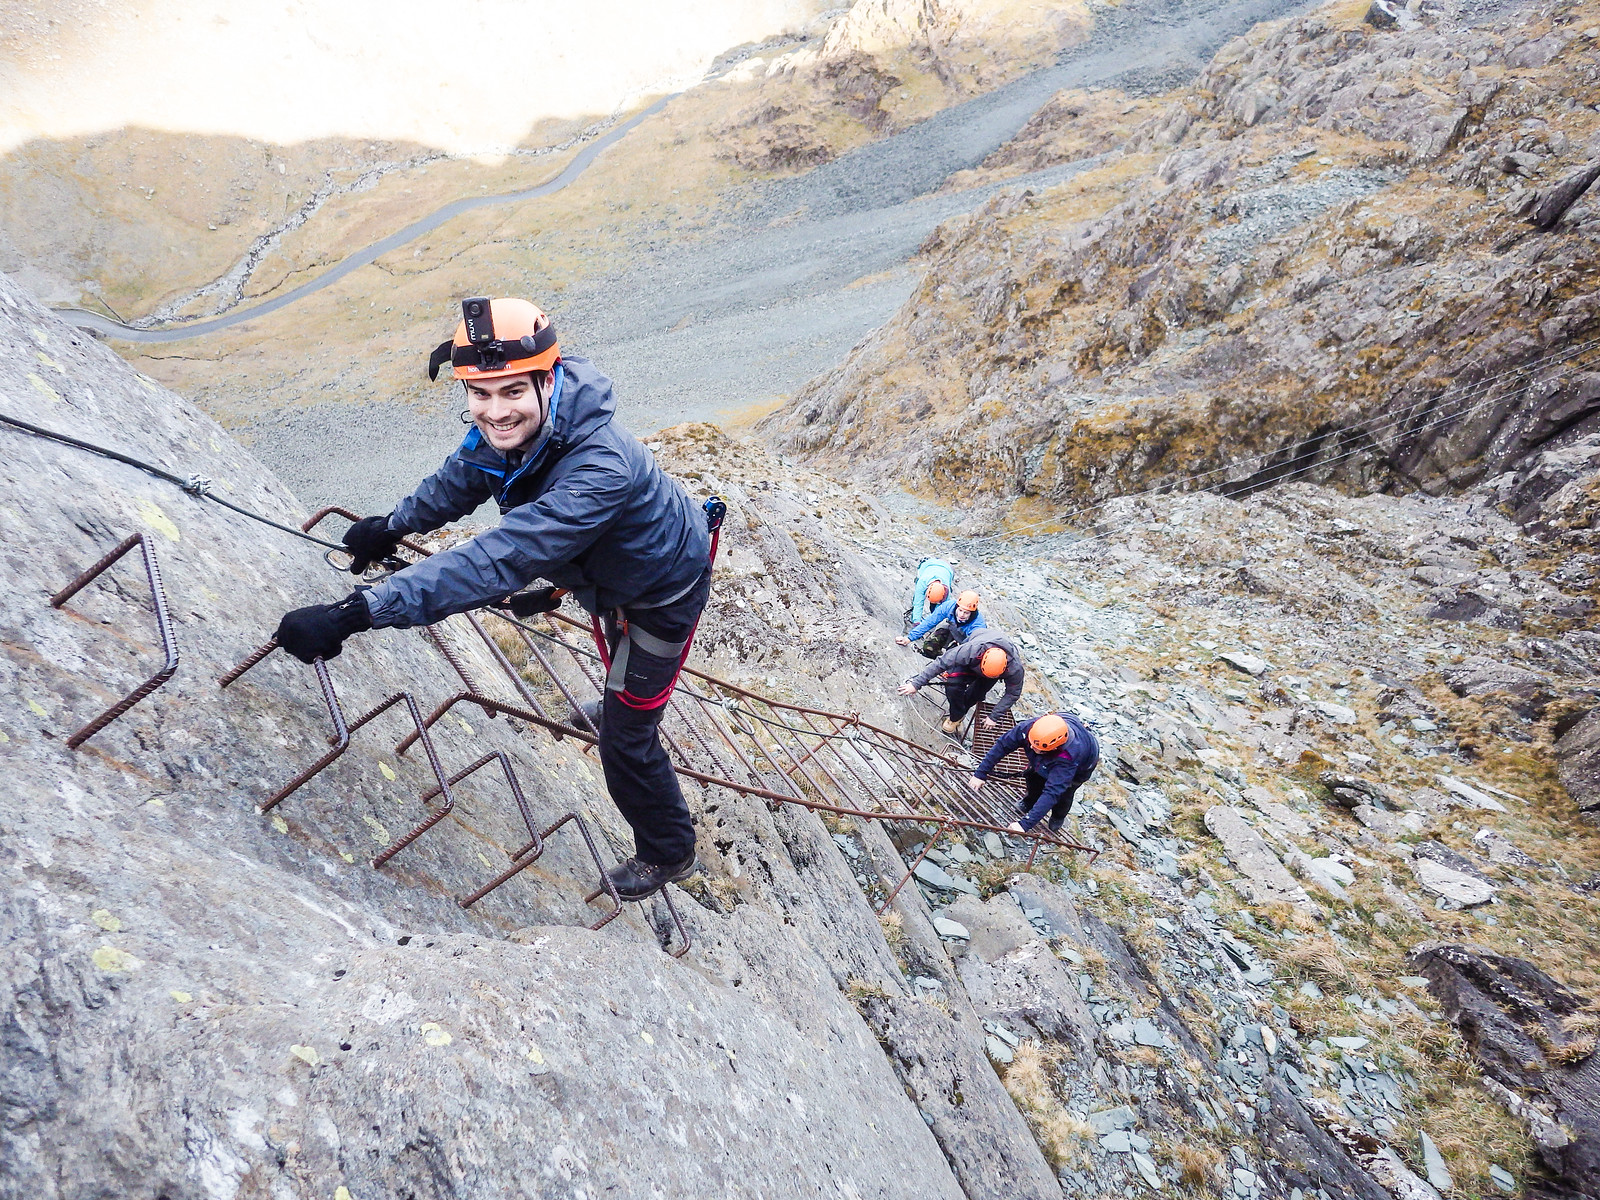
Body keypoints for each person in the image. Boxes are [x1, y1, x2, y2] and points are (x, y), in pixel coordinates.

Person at [271, 296, 714, 901]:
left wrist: (359, 610)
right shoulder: (520, 431)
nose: (495, 411)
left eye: (511, 392)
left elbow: (500, 559)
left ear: (547, 380)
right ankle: (620, 699)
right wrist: (395, 524)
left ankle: (670, 852)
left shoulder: (599, 467)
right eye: (481, 394)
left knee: (628, 741)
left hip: (664, 594)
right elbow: (462, 477)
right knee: (620, 665)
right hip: (612, 580)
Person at [966, 712, 1099, 835]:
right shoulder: (1030, 728)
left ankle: (1058, 817)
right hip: (1061, 732)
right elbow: (1003, 745)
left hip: (1083, 764)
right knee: (1033, 775)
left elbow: (1052, 792)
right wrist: (980, 773)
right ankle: (1029, 802)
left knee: (1064, 793)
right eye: (1031, 744)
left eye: (1037, 748)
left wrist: (1024, 825)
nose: (1031, 748)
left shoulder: (1068, 757)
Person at [897, 628, 1024, 735]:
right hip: (973, 658)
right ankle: (956, 716)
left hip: (990, 671)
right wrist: (916, 684)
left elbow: (1012, 693)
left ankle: (957, 716)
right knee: (953, 686)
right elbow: (942, 662)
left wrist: (994, 716)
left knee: (977, 694)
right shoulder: (970, 650)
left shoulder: (1015, 669)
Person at [897, 588, 986, 659]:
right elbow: (929, 622)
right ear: (957, 606)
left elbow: (975, 649)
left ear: (972, 613)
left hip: (966, 642)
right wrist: (909, 638)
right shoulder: (949, 606)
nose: (961, 615)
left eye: (966, 613)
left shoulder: (978, 625)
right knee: (929, 647)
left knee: (958, 658)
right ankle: (938, 659)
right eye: (960, 610)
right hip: (952, 630)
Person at [903, 557, 955, 630]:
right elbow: (918, 603)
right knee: (916, 600)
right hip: (928, 565)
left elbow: (940, 611)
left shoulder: (946, 591)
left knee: (936, 609)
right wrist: (916, 623)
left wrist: (932, 626)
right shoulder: (922, 582)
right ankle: (913, 617)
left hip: (947, 569)